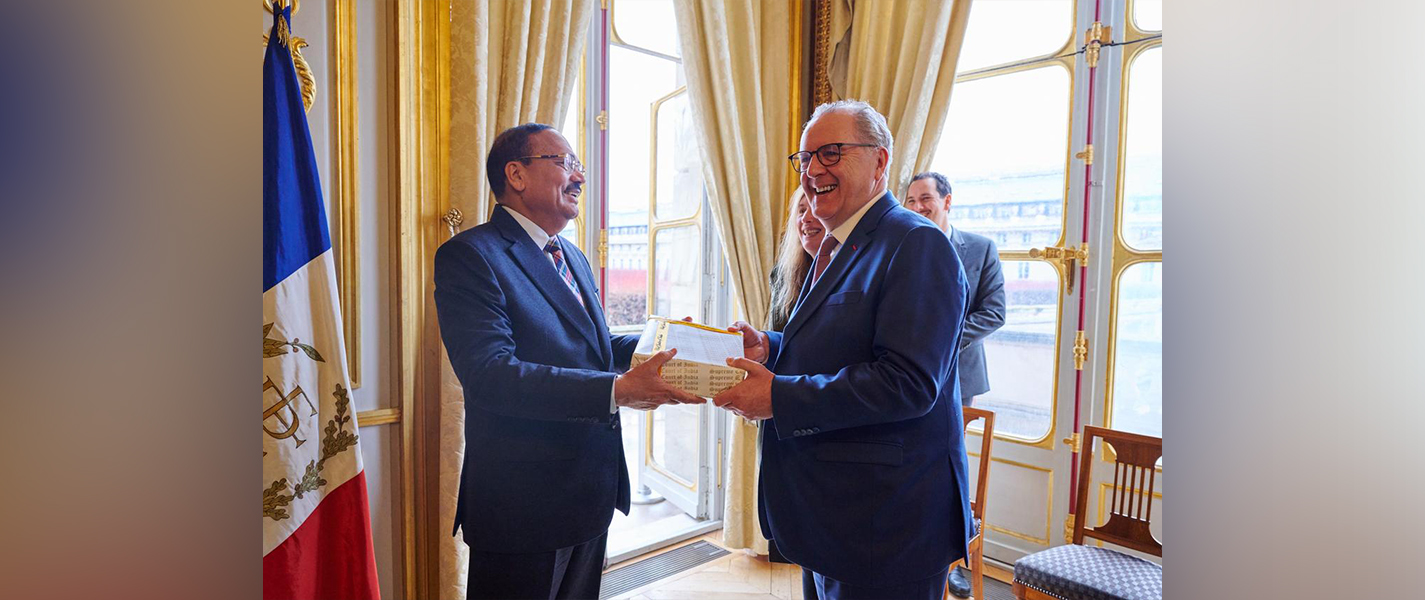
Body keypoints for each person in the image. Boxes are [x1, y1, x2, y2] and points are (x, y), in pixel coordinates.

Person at [714, 100, 974, 600]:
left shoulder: (915, 244)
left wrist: (779, 398)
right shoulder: (838, 243)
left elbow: (909, 382)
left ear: (880, 162)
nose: (812, 171)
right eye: (805, 158)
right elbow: (844, 341)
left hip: (887, 527)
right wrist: (770, 346)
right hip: (837, 517)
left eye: (830, 153)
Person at [434, 123, 701, 600]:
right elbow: (490, 375)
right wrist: (616, 391)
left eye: (578, 165)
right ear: (515, 174)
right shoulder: (471, 255)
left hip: (588, 492)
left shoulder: (571, 255)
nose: (579, 177)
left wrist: (673, 342)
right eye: (564, 162)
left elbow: (595, 344)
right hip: (524, 505)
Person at [904, 171, 1006, 597]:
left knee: (951, 473)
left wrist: (943, 335)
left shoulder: (980, 249)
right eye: (909, 200)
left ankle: (953, 561)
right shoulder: (902, 246)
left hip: (959, 379)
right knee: (913, 467)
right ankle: (911, 550)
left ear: (948, 202)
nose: (917, 207)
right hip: (905, 375)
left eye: (925, 198)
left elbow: (994, 312)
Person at [766, 187, 825, 332]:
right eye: (801, 211)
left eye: (814, 208)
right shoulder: (781, 275)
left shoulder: (852, 268)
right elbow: (777, 336)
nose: (806, 218)